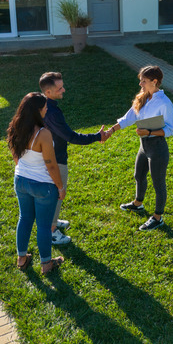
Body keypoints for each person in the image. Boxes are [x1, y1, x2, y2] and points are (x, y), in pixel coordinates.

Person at [39, 72, 107, 245]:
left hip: (49, 155)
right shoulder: (52, 112)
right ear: (48, 92)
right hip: (56, 159)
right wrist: (97, 136)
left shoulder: (43, 105)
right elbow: (72, 137)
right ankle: (52, 231)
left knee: (53, 193)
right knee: (57, 193)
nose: (64, 90)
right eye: (60, 88)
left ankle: (53, 222)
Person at [106, 66, 173, 231]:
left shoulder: (165, 103)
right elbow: (129, 117)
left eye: (144, 81)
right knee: (138, 175)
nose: (140, 83)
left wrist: (149, 131)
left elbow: (171, 130)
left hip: (157, 148)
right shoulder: (143, 98)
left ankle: (158, 217)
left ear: (154, 81)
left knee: (158, 183)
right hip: (144, 146)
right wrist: (111, 130)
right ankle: (138, 203)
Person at [7, 92, 65, 274]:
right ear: (37, 111)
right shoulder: (43, 133)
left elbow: (15, 154)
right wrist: (60, 187)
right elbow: (51, 165)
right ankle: (46, 264)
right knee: (43, 225)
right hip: (43, 186)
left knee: (24, 218)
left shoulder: (15, 126)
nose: (47, 108)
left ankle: (22, 259)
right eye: (45, 106)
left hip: (21, 181)